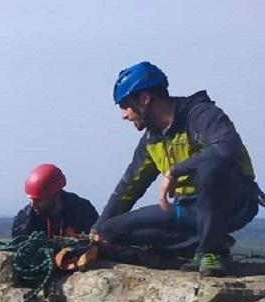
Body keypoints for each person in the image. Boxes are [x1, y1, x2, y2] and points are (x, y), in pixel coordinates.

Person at [93, 61, 265, 277]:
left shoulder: (201, 114)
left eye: (125, 106)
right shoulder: (151, 139)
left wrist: (175, 170)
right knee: (112, 230)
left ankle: (212, 251)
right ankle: (194, 245)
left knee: (210, 166)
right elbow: (128, 187)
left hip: (232, 204)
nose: (124, 115)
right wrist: (95, 232)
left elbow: (226, 147)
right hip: (188, 209)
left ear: (145, 99)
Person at [12, 163, 98, 239]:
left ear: (56, 195)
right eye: (32, 200)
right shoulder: (23, 222)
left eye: (40, 200)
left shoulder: (83, 212)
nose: (33, 205)